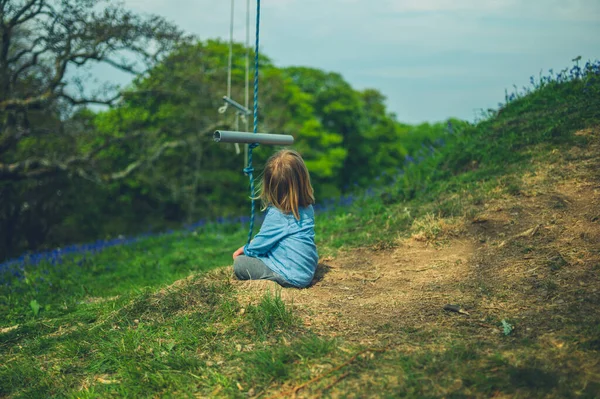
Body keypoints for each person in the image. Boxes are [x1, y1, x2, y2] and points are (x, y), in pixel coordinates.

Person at [232, 149, 318, 288]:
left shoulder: (279, 215)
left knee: (240, 263)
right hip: (306, 271)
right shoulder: (307, 209)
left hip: (290, 276)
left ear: (270, 186)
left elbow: (260, 244)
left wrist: (245, 250)